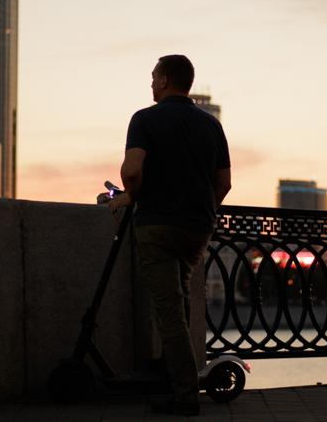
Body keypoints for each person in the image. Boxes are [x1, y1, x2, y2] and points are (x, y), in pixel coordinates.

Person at [109, 54, 231, 416]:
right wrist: (202, 208)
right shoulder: (211, 126)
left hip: (157, 224)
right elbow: (223, 183)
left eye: (152, 77)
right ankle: (178, 377)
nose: (150, 84)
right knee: (178, 298)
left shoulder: (144, 119)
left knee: (169, 311)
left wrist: (133, 194)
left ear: (164, 81)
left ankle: (185, 395)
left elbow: (132, 169)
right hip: (198, 226)